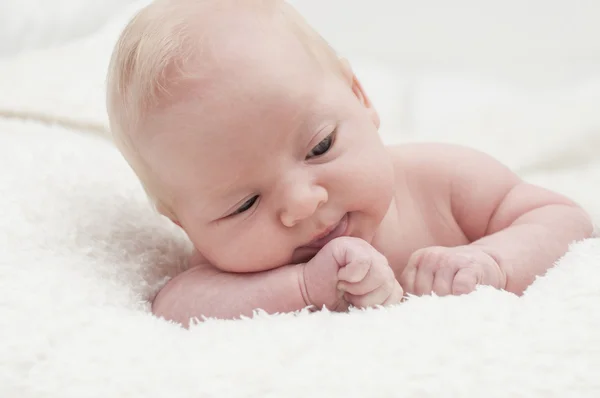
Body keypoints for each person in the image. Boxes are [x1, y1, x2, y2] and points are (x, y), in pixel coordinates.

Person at [106, 0, 593, 326]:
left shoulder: (441, 180)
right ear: (182, 222)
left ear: (359, 98)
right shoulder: (231, 269)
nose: (301, 203)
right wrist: (302, 287)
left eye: (319, 147)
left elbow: (561, 219)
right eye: (244, 204)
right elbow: (175, 305)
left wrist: (493, 262)